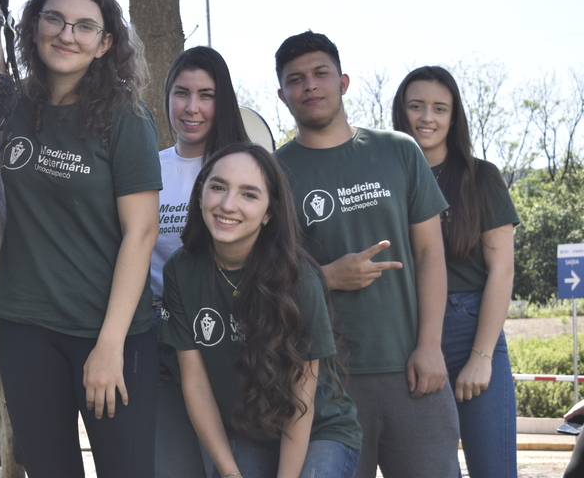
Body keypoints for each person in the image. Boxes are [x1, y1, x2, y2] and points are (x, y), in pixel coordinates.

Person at [0, 0, 162, 477]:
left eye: (85, 26)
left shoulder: (126, 116)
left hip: (109, 331)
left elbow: (142, 231)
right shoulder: (9, 107)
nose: (67, 35)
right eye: (55, 19)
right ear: (34, 25)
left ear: (105, 43)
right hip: (26, 330)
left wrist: (109, 345)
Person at [272, 31, 460, 478]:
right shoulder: (273, 173)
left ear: (344, 82)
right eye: (296, 79)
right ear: (282, 95)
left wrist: (431, 346)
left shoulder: (398, 150)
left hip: (413, 371)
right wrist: (324, 277)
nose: (310, 85)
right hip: (326, 381)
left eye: (321, 74)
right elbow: (270, 273)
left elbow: (431, 252)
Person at [162, 143, 362, 478]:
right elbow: (195, 384)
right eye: (218, 187)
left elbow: (303, 399)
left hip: (318, 430)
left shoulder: (299, 277)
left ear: (269, 212)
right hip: (248, 431)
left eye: (249, 195)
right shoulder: (180, 271)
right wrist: (228, 472)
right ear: (200, 195)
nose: (227, 204)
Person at [393, 66, 520, 478]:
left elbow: (501, 269)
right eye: (416, 106)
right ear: (401, 112)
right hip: (405, 335)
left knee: (494, 470)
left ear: (454, 117)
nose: (427, 117)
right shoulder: (385, 182)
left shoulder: (480, 177)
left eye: (439, 108)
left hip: (471, 329)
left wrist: (481, 357)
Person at [152, 46, 250, 476]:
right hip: (160, 343)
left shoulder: (243, 169)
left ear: (222, 100)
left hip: (230, 341)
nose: (191, 107)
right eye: (181, 93)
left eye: (206, 95)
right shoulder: (146, 170)